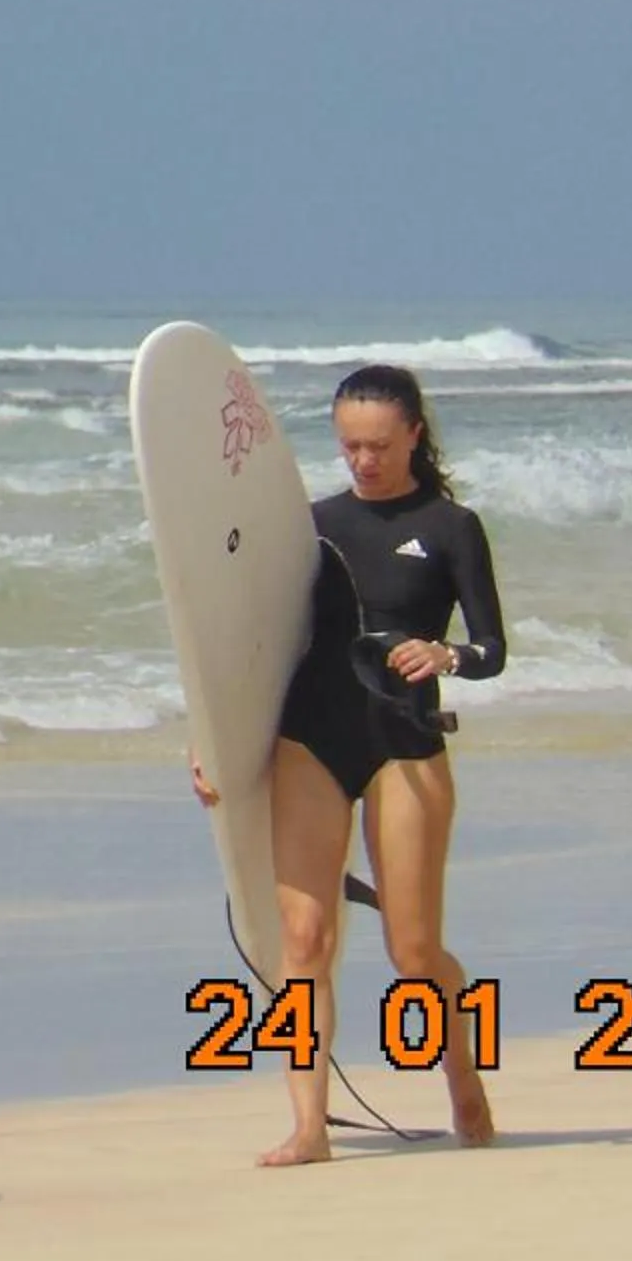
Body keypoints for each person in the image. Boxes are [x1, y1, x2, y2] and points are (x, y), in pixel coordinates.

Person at [196, 363, 506, 1164]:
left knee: (412, 951)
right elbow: (246, 644)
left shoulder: (449, 526)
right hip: (313, 737)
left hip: (404, 744)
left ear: (413, 436)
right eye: (348, 446)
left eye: (377, 445)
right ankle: (308, 1125)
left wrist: (447, 654)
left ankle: (462, 1074)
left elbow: (492, 649)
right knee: (303, 938)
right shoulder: (307, 526)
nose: (362, 460)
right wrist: (213, 742)